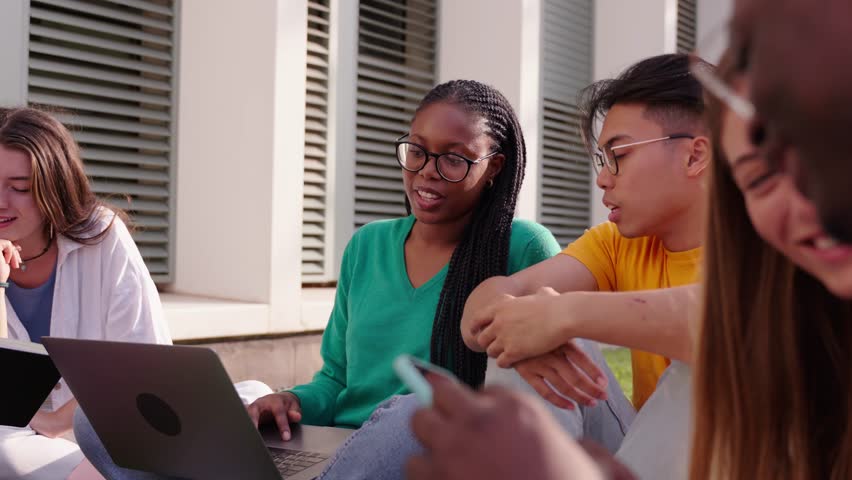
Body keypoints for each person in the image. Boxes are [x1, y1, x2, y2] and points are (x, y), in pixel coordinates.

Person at [463, 52, 711, 411]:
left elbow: (726, 323)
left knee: (694, 369)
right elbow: (484, 303)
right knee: (524, 328)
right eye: (602, 159)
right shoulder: (617, 244)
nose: (602, 179)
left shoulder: (776, 244)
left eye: (619, 156)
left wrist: (562, 314)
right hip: (641, 455)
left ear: (694, 156)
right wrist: (515, 323)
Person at [0, 107, 172, 480]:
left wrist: (57, 421)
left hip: (107, 434)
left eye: (20, 188)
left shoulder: (102, 237)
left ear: (53, 186)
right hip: (22, 444)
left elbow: (144, 365)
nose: (1, 201)